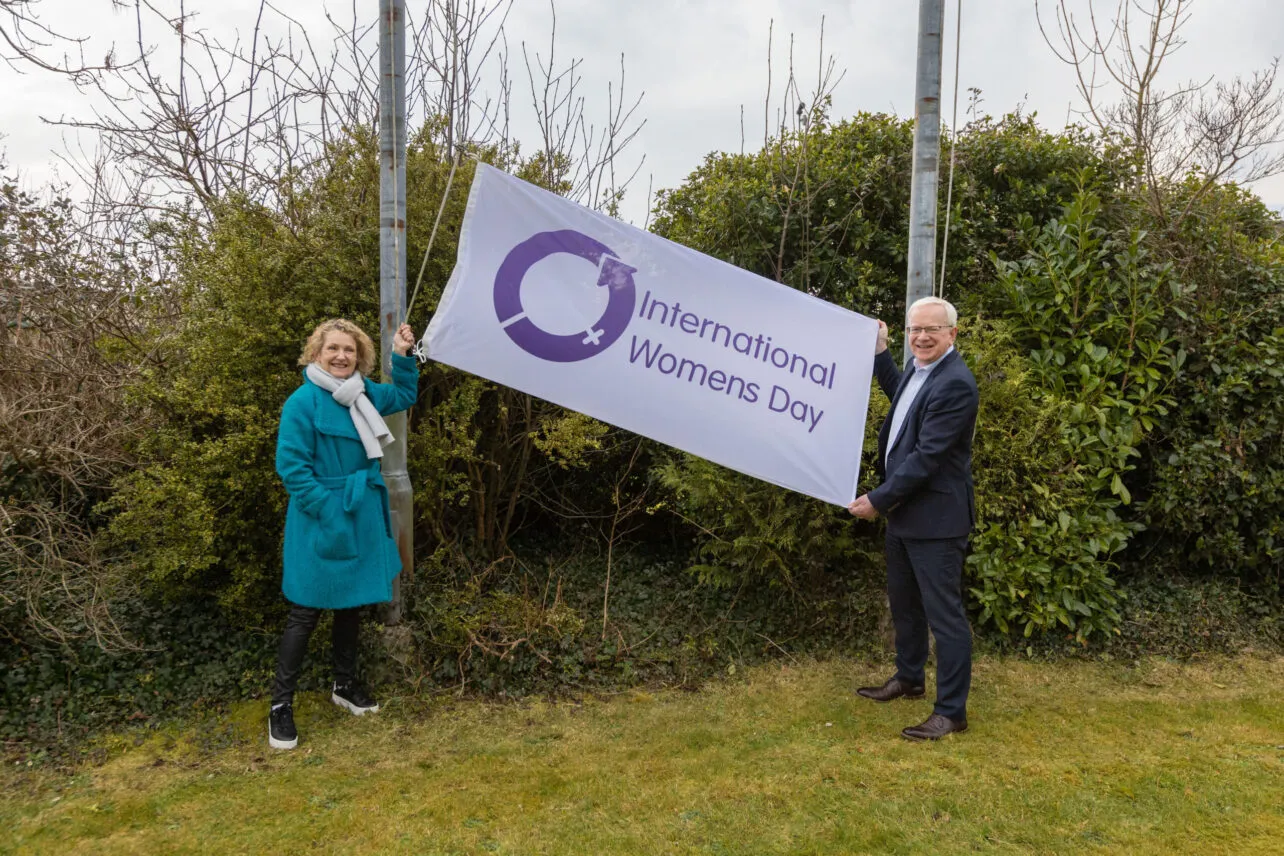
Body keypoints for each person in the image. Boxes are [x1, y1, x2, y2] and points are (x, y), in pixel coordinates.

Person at [267, 318, 419, 750]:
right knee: (305, 611)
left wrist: (402, 356)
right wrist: (329, 511)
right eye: (332, 348)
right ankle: (281, 706)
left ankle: (344, 685)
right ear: (317, 352)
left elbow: (406, 394)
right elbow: (292, 469)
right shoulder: (302, 402)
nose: (340, 356)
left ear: (359, 356)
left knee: (351, 603)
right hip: (322, 515)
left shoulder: (365, 393)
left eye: (349, 350)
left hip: (361, 511)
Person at [848, 296, 979, 741]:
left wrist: (878, 500)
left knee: (945, 617)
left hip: (937, 520)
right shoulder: (921, 373)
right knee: (905, 606)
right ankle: (909, 678)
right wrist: (881, 350)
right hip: (906, 516)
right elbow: (898, 396)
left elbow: (926, 458)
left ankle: (951, 712)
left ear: (952, 334)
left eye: (932, 330)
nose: (921, 337)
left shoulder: (955, 383)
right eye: (914, 330)